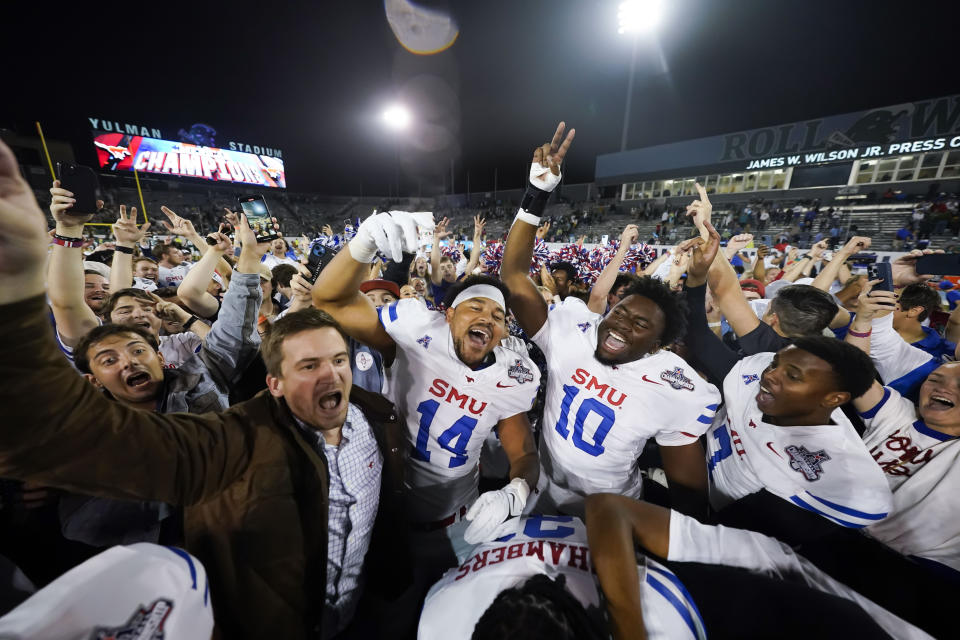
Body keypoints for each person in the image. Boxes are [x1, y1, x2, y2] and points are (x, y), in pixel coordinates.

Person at [0, 139, 409, 638]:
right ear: (272, 381)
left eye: (340, 359)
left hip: (362, 609)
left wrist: (249, 258)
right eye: (309, 365)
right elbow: (95, 439)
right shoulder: (238, 434)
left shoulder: (377, 415)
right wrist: (49, 254)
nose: (332, 375)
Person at [501, 123, 720, 518]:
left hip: (615, 512)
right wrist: (536, 195)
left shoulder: (676, 384)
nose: (619, 325)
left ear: (658, 345)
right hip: (541, 492)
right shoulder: (574, 330)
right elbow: (514, 278)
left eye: (639, 325)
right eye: (620, 312)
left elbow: (689, 496)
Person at [312, 208, 541, 575]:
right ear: (448, 314)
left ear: (503, 333)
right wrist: (364, 243)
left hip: (459, 523)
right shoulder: (417, 331)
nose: (487, 318)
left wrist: (517, 490)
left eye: (498, 317)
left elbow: (524, 452)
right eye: (475, 307)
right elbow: (330, 301)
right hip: (383, 512)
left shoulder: (514, 375)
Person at [420, 495, 920, 640]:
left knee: (786, 568)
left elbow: (606, 510)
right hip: (525, 538)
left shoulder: (661, 620)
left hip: (686, 580)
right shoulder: (441, 618)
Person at [680, 222, 893, 538]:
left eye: (792, 374)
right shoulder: (755, 366)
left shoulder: (847, 472)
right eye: (777, 364)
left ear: (833, 397)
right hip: (707, 505)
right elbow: (699, 334)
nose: (772, 375)